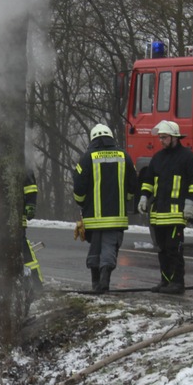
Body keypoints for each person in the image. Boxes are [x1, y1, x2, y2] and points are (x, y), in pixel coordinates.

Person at [137, 120, 193, 294]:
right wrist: (144, 197)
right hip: (159, 214)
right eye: (160, 137)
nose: (161, 140)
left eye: (164, 137)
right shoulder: (158, 158)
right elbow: (148, 181)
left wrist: (190, 204)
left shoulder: (187, 158)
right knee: (162, 250)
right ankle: (165, 282)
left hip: (176, 214)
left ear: (174, 137)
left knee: (174, 250)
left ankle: (177, 283)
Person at [72, 123, 136, 293]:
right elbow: (133, 185)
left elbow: (78, 187)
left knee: (96, 248)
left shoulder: (87, 158)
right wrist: (126, 200)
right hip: (116, 217)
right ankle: (105, 278)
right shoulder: (125, 156)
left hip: (93, 216)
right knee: (109, 246)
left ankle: (96, 283)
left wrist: (82, 203)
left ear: (93, 139)